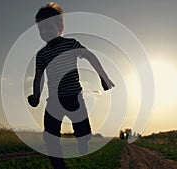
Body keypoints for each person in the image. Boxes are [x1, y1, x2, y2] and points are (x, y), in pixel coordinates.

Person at [27, 2, 115, 169]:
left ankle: (83, 141)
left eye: (49, 27)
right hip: (54, 100)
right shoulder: (42, 54)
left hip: (74, 97)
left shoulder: (70, 44)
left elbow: (90, 56)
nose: (45, 32)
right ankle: (59, 166)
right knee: (50, 136)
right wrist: (36, 96)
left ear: (60, 27)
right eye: (41, 29)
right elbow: (39, 77)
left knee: (84, 133)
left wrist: (103, 76)